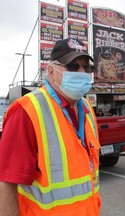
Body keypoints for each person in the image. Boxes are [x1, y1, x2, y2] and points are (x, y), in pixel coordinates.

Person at [0, 38, 101, 216]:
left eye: (87, 67)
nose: (82, 72)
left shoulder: (86, 108)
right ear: (51, 71)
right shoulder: (26, 111)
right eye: (72, 66)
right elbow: (7, 182)